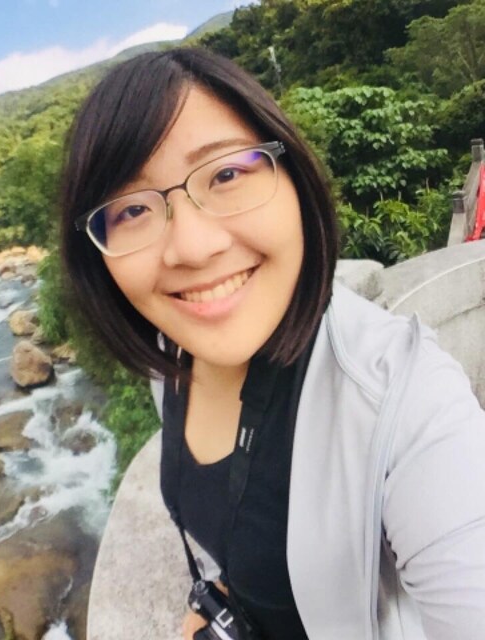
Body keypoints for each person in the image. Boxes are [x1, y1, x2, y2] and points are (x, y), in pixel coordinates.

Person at [59, 47, 485, 639]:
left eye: (226, 175)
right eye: (132, 210)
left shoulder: (407, 402)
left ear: (294, 178)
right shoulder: (171, 356)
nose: (192, 248)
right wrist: (221, 597)